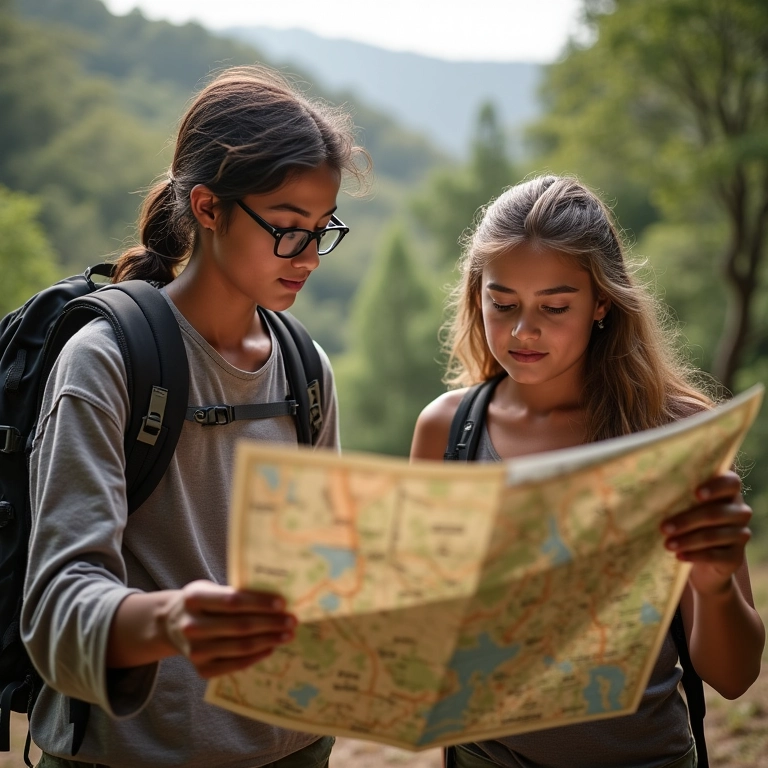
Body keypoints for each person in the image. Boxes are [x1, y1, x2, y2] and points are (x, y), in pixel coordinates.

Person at [21, 66, 368, 768]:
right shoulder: (105, 362)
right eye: (287, 229)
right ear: (209, 208)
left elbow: (320, 572)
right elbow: (56, 611)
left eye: (322, 230)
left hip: (293, 747)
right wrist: (172, 620)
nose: (308, 257)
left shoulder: (306, 369)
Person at [410, 175, 765, 768]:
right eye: (503, 304)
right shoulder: (447, 432)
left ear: (602, 303)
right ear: (477, 295)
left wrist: (714, 584)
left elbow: (735, 678)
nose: (524, 330)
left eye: (554, 307)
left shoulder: (674, 435)